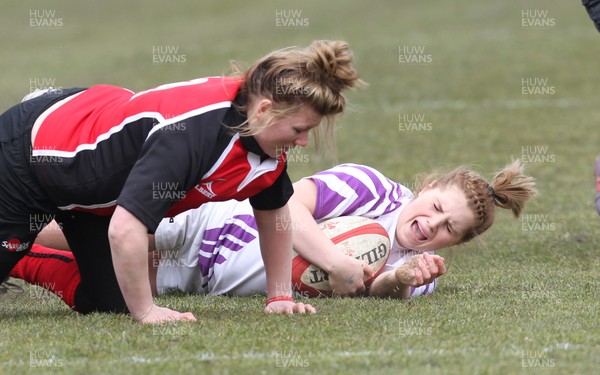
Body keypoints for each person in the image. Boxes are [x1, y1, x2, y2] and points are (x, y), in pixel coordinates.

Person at [0, 40, 364, 323]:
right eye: (299, 130)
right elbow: (125, 229)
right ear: (265, 109)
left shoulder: (262, 136)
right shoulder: (190, 135)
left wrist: (280, 295)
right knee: (136, 302)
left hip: (90, 196)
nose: (302, 142)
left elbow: (275, 212)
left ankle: (24, 255)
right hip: (29, 155)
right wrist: (147, 313)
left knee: (110, 304)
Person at [11, 161, 536, 306]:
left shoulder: (421, 269)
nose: (434, 225)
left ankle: (13, 256)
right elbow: (286, 204)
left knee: (108, 289)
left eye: (450, 231)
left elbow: (372, 288)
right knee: (90, 237)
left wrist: (398, 280)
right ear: (426, 187)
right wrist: (334, 260)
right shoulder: (369, 186)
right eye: (438, 207)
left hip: (205, 280)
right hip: (207, 226)